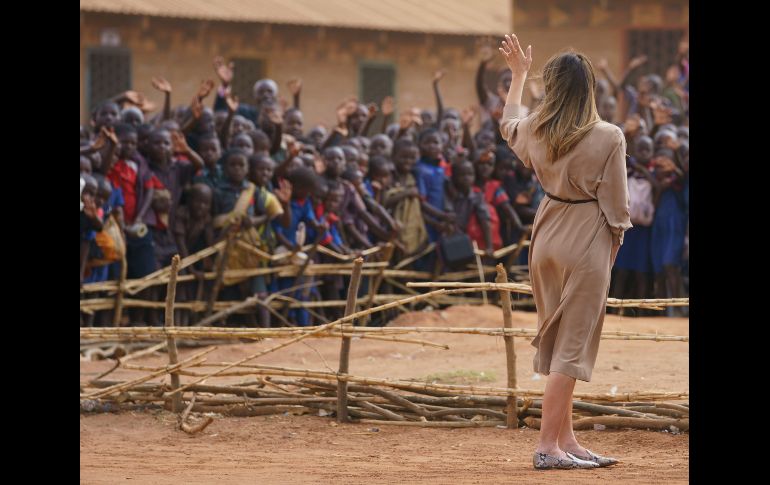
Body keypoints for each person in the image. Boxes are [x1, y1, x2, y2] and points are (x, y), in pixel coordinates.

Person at [499, 34, 628, 470]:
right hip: (586, 234)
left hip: (546, 232)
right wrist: (611, 248)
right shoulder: (608, 136)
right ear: (590, 87)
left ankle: (566, 439)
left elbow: (508, 124)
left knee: (557, 343)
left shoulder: (537, 126)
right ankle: (546, 447)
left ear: (551, 87)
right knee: (572, 347)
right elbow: (617, 206)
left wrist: (517, 76)